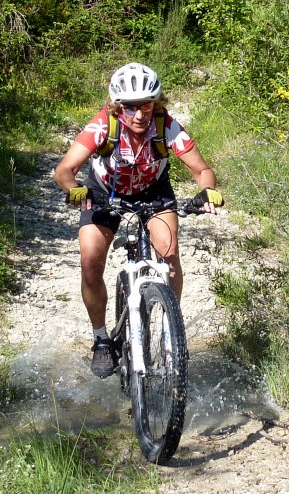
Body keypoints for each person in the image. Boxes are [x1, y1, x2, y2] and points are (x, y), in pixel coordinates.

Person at [54, 62, 224, 378]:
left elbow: (202, 170)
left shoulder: (166, 126)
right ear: (118, 107)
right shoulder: (103, 126)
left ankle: (170, 329)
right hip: (103, 193)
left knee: (169, 254)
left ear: (155, 103)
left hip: (153, 192)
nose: (139, 114)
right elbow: (64, 169)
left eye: (146, 105)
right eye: (130, 107)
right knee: (91, 260)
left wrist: (208, 191)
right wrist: (74, 189)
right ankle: (101, 339)